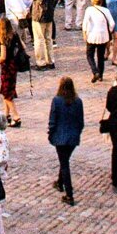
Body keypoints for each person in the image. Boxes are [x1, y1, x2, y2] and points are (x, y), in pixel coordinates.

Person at [47, 76, 84, 205]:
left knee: (64, 164)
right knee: (65, 160)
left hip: (60, 137)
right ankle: (59, 182)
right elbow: (81, 122)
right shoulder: (78, 101)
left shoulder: (57, 100)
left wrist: (50, 134)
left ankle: (69, 194)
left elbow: (53, 120)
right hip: (73, 137)